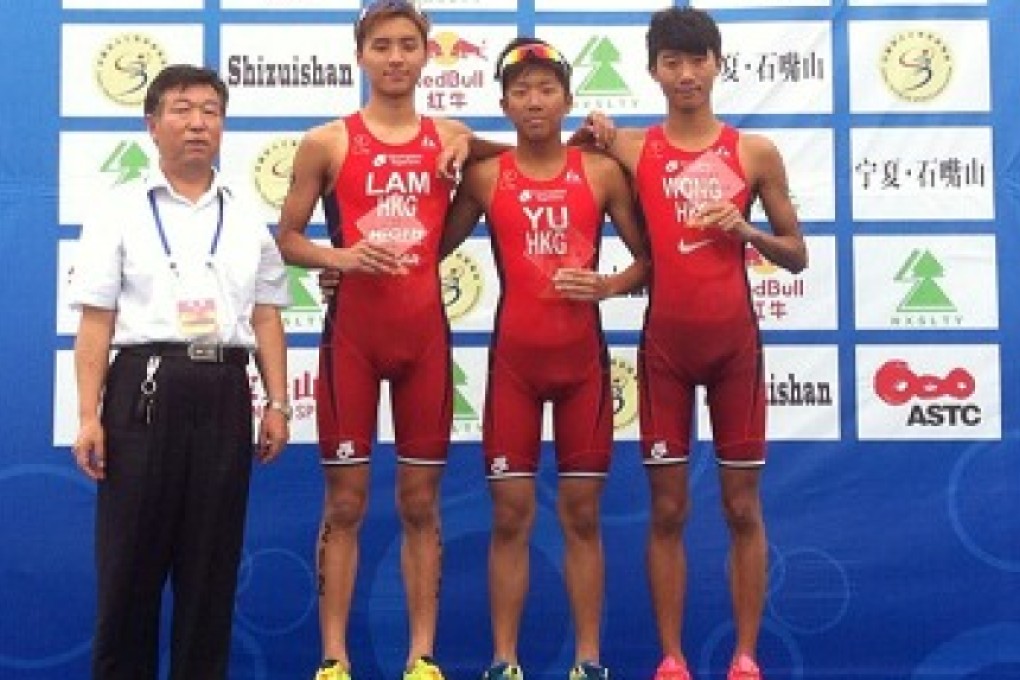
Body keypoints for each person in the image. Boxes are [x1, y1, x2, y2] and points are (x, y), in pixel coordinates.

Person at [579, 7, 807, 680]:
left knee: (742, 507)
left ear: (718, 63)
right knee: (669, 508)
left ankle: (745, 656)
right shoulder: (631, 147)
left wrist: (747, 231)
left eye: (697, 60)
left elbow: (796, 256)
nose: (686, 74)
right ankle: (671, 657)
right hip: (666, 351)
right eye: (672, 63)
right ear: (653, 72)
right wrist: (589, 130)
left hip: (736, 346)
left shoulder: (753, 152)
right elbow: (534, 152)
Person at [275, 2, 482, 679]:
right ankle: (332, 659)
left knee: (421, 502)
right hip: (352, 342)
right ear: (360, 54)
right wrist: (342, 259)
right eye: (382, 45)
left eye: (408, 46)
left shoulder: (449, 135)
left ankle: (422, 657)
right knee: (345, 502)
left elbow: (534, 156)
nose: (395, 58)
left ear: (427, 55)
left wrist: (471, 137)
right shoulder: (327, 141)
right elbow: (287, 239)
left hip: (424, 338)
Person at [70, 64, 291, 680]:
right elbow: (96, 322)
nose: (198, 123)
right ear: (152, 124)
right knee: (129, 569)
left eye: (211, 111)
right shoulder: (117, 211)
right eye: (182, 109)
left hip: (224, 393)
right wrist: (88, 416)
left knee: (211, 571)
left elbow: (268, 317)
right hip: (144, 391)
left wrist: (277, 403)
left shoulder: (246, 219)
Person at [440, 37, 649, 680]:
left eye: (546, 88)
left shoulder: (601, 170)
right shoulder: (483, 174)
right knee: (510, 516)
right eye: (522, 90)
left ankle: (590, 661)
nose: (534, 100)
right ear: (503, 103)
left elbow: (650, 263)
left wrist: (608, 285)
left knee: (582, 515)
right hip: (515, 370)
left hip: (584, 366)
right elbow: (424, 253)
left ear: (566, 98)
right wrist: (343, 273)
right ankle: (504, 661)